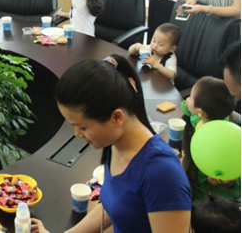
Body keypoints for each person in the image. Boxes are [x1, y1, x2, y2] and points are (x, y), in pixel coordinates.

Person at [32, 55, 191, 233]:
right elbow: (113, 204)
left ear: (116, 117)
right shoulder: (116, 144)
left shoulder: (162, 174)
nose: (77, 134)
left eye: (82, 127)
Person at [181, 77, 239, 202]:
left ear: (200, 111)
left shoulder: (222, 141)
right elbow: (188, 110)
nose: (187, 99)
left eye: (190, 97)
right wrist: (188, 104)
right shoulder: (207, 116)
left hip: (213, 191)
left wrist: (229, 182)